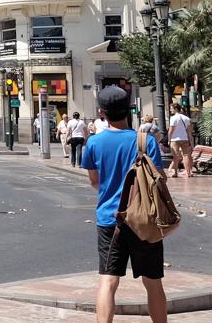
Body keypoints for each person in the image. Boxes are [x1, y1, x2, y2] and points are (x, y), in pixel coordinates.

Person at [80, 86, 166, 323]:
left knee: (108, 280)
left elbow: (95, 181)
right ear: (129, 109)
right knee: (153, 282)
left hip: (110, 218)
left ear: (102, 113)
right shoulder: (145, 141)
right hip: (144, 221)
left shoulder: (94, 143)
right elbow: (159, 177)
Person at [169, 104, 193, 179]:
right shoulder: (186, 118)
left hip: (175, 139)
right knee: (186, 156)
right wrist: (190, 140)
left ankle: (176, 173)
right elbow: (189, 131)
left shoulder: (173, 118)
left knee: (175, 157)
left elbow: (171, 130)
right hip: (185, 138)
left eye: (171, 108)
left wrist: (169, 139)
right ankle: (188, 172)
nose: (170, 110)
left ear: (176, 109)